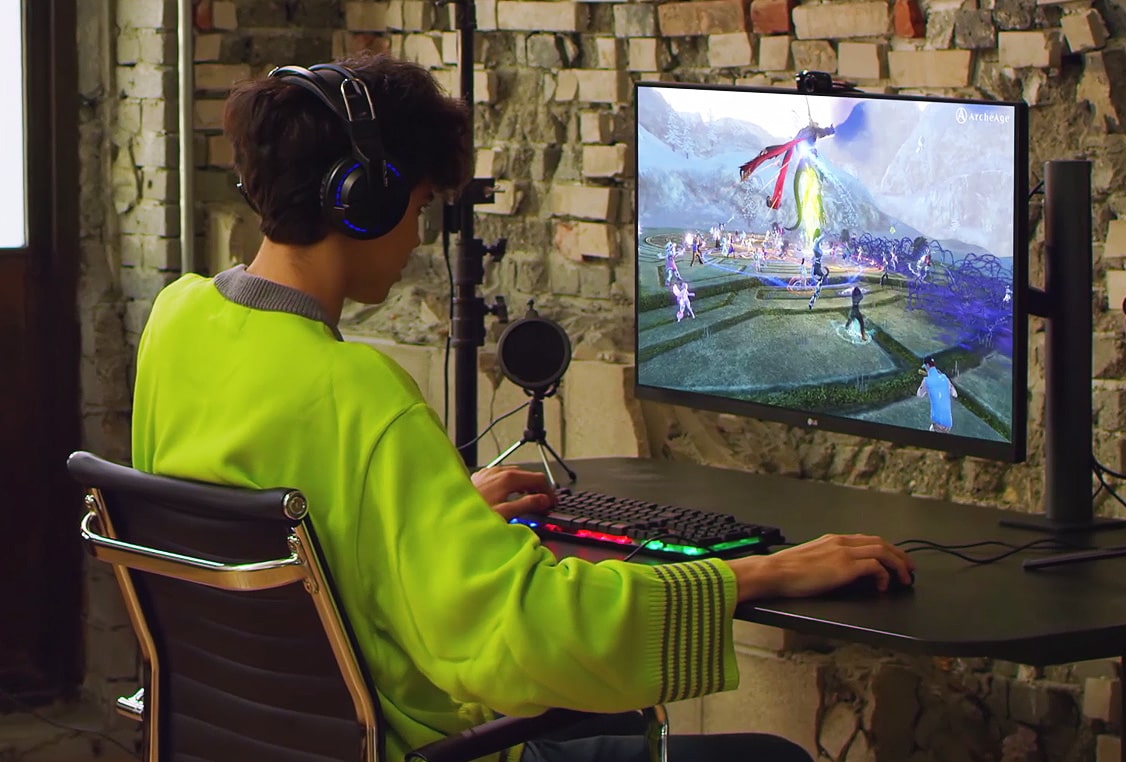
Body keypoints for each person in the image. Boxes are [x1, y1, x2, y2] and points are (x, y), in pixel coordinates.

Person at [130, 53, 913, 762]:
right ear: (367, 201)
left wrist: (437, 513)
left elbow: (270, 520)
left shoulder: (178, 321)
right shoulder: (357, 392)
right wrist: (754, 575)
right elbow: (525, 630)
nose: (417, 238)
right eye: (421, 205)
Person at [916, 356, 958, 433]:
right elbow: (955, 394)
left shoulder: (926, 380)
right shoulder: (945, 378)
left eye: (925, 367)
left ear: (927, 365)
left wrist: (924, 384)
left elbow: (919, 394)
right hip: (949, 423)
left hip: (938, 423)